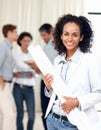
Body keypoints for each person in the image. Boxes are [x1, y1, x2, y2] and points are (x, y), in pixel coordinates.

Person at [43, 14, 101, 130]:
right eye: (66, 34)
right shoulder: (58, 59)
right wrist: (49, 87)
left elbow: (99, 92)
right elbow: (55, 92)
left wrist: (77, 102)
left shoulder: (90, 60)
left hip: (73, 124)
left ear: (81, 37)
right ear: (60, 36)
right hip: (52, 119)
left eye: (75, 35)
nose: (69, 39)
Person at [13, 32, 36, 130]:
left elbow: (38, 72)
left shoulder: (34, 55)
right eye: (24, 41)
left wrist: (34, 72)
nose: (27, 43)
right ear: (20, 41)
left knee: (31, 116)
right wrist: (16, 73)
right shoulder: (16, 55)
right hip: (18, 88)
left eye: (29, 41)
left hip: (29, 89)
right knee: (20, 114)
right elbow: (13, 71)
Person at [39, 23, 58, 130]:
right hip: (46, 81)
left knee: (47, 109)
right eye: (41, 35)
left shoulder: (53, 46)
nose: (43, 37)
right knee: (46, 109)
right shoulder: (46, 46)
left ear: (51, 32)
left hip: (49, 82)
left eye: (44, 35)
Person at [0, 24, 17, 130]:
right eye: (15, 32)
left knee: (2, 114)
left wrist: (14, 74)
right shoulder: (3, 47)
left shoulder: (8, 47)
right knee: (9, 114)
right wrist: (1, 81)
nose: (17, 34)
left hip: (7, 83)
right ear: (9, 33)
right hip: (3, 84)